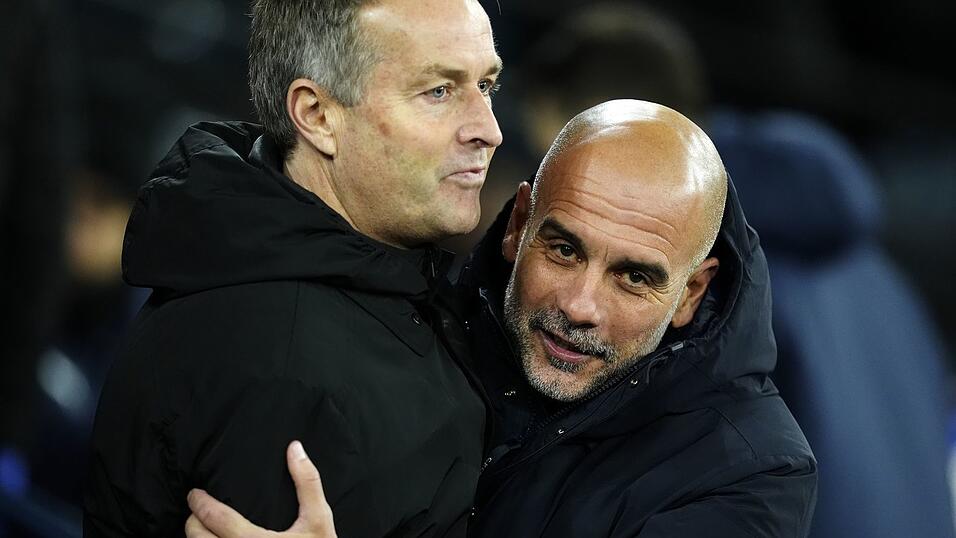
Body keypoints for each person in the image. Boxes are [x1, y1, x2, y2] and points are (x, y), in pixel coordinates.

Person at [184, 100, 818, 537]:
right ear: (518, 225)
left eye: (634, 277)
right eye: (564, 249)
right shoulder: (413, 327)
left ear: (690, 293)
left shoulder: (751, 471)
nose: (579, 306)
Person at [83, 0, 503, 536]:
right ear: (317, 116)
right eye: (438, 91)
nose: (488, 130)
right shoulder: (280, 367)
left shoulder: (377, 280)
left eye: (486, 86)